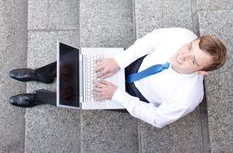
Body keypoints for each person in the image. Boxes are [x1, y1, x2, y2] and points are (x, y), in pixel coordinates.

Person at [9, 27, 227, 128]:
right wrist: (119, 61)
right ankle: (42, 74)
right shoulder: (182, 35)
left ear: (201, 72)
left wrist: (119, 96)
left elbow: (158, 119)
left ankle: (40, 97)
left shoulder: (188, 97)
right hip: (134, 62)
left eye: (193, 61)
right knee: (79, 60)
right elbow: (148, 42)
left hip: (135, 95)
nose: (182, 55)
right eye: (189, 48)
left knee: (80, 98)